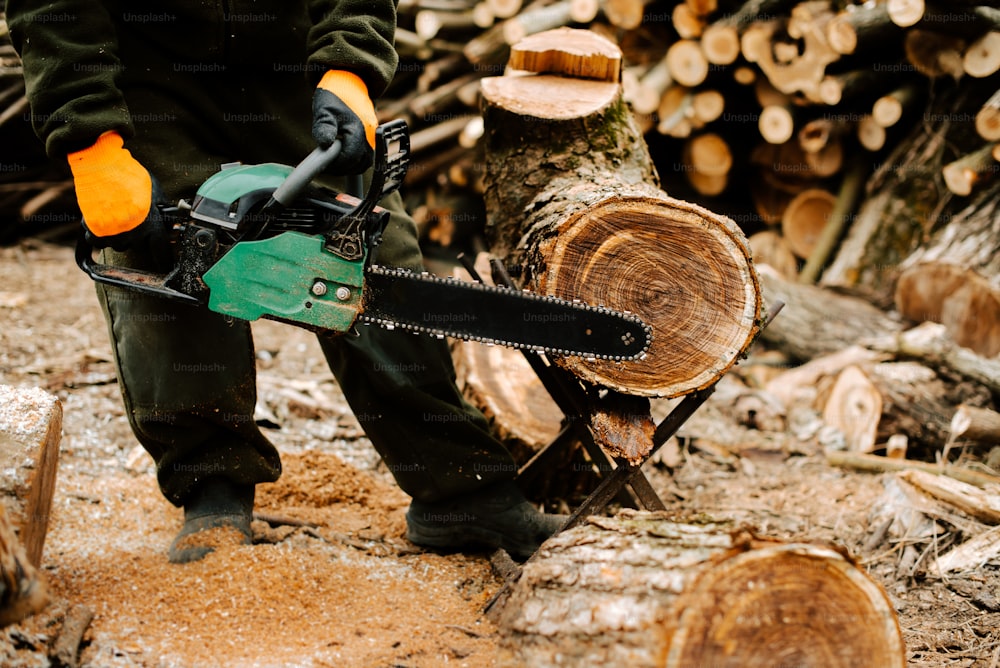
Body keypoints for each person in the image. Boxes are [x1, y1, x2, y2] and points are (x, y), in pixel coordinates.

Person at [6, 0, 565, 563]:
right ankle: (213, 494)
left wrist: (347, 67)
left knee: (376, 268)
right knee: (170, 270)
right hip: (148, 84)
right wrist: (91, 141)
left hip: (297, 72)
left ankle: (462, 492)